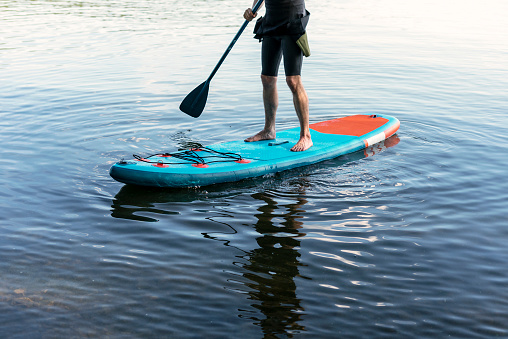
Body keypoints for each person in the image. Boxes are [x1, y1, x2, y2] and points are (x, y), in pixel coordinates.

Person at [244, 0, 312, 152]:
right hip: (271, 21)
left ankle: (306, 136)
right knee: (267, 78)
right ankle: (269, 130)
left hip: (293, 19)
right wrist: (253, 10)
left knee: (293, 81)